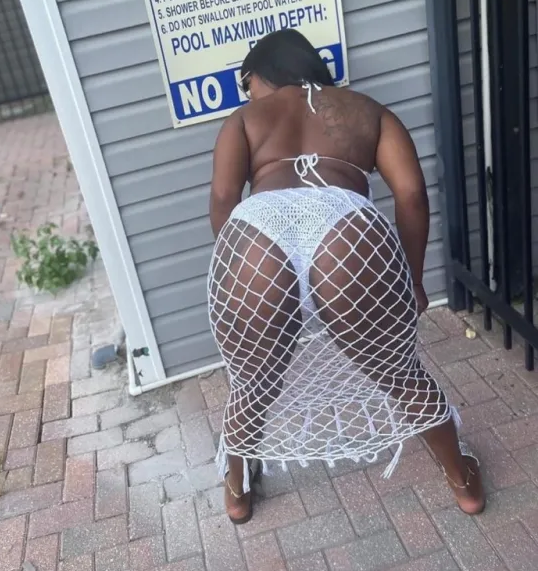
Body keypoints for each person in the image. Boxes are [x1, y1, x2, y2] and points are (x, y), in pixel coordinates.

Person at [207, 28, 485, 525]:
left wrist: (236, 268)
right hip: (345, 226)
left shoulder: (244, 120)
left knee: (252, 379)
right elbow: (411, 195)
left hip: (259, 230)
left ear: (263, 73)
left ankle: (237, 493)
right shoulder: (368, 111)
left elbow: (225, 199)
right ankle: (462, 482)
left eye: (246, 82)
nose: (246, 93)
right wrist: (412, 278)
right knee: (398, 370)